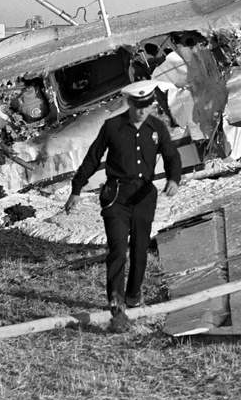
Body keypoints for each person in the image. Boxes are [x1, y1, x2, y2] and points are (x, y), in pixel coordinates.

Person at [65, 81, 181, 329]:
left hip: (144, 196)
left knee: (140, 248)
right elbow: (93, 158)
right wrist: (76, 189)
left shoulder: (157, 127)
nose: (142, 111)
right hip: (116, 195)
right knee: (118, 248)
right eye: (138, 106)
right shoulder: (112, 127)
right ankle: (116, 304)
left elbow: (172, 155)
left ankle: (133, 295)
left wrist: (173, 179)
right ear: (129, 103)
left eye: (147, 105)